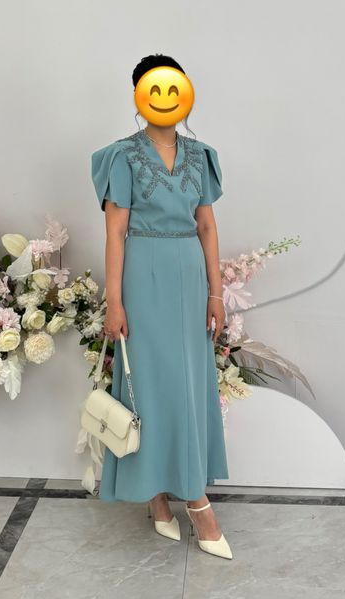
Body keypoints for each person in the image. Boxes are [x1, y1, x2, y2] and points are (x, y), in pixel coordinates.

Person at [90, 53, 232, 560]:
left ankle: (176, 493)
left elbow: (207, 225)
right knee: (148, 384)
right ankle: (185, 501)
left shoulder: (201, 156)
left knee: (188, 384)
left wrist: (216, 292)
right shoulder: (122, 157)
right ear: (139, 95)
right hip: (143, 274)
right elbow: (115, 232)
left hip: (190, 276)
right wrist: (114, 301)